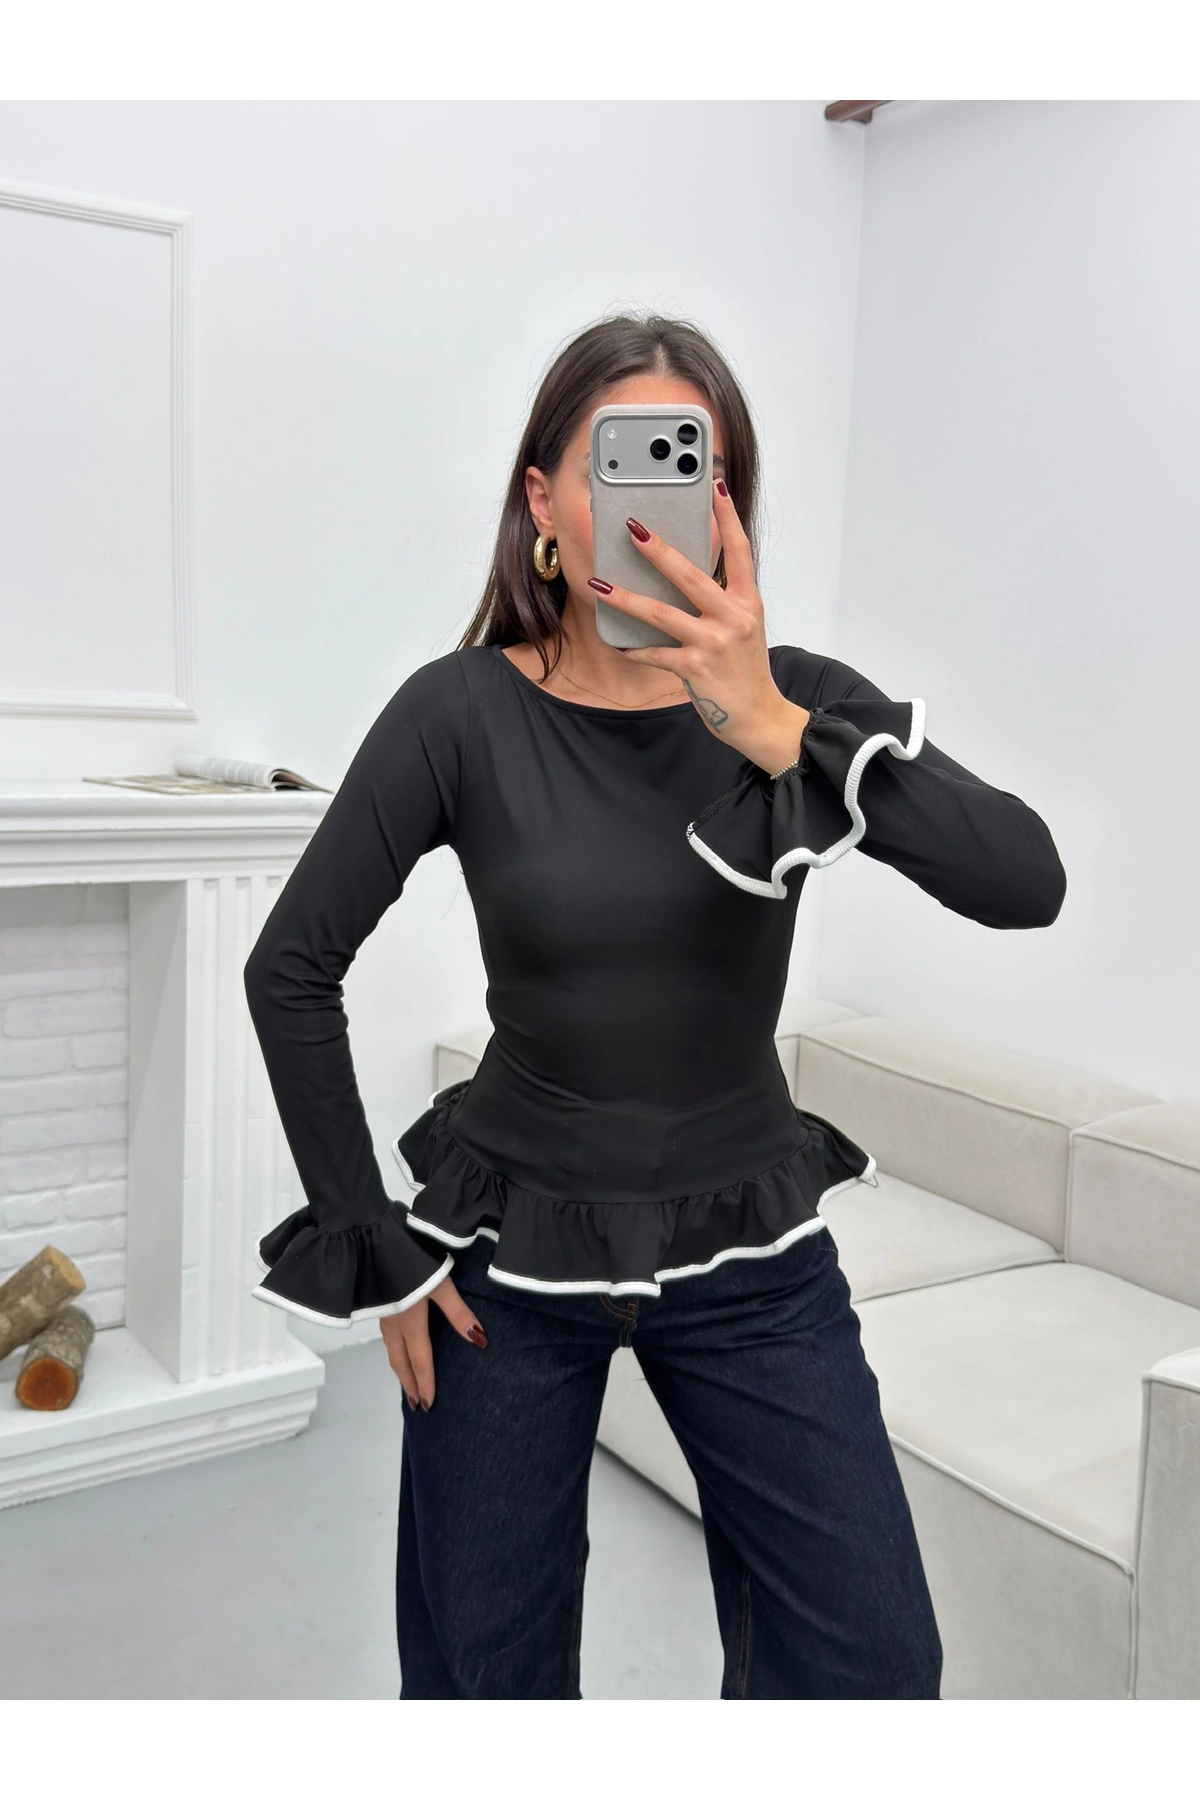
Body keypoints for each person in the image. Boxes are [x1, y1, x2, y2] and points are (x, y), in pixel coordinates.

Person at [243, 312, 1067, 1701]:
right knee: (487, 1681)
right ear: (544, 502)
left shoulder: (799, 703)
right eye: (620, 464)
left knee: (873, 1666)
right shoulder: (457, 712)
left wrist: (777, 731)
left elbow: (1025, 881)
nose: (662, 505)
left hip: (753, 1247)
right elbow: (290, 967)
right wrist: (370, 1240)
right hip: (506, 1256)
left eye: (701, 468)